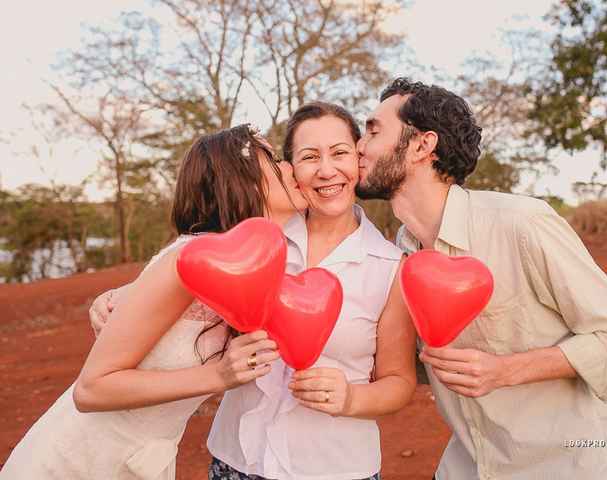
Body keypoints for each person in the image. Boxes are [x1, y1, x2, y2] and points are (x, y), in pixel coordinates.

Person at [90, 102, 418, 480]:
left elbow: (399, 381)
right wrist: (121, 295)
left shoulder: (391, 266)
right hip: (237, 461)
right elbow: (190, 266)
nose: (327, 170)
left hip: (336, 467)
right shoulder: (255, 235)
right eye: (309, 157)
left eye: (340, 153)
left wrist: (351, 397)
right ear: (291, 168)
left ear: (358, 160)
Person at [354, 78, 607, 480]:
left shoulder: (521, 223)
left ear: (422, 146)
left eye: (372, 130)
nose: (358, 146)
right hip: (468, 466)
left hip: (564, 467)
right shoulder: (400, 253)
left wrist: (505, 370)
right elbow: (421, 363)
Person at [0, 124, 308, 480]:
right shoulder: (188, 260)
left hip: (146, 460)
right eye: (273, 159)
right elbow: (91, 389)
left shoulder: (248, 268)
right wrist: (217, 375)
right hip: (81, 461)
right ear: (242, 181)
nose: (289, 167)